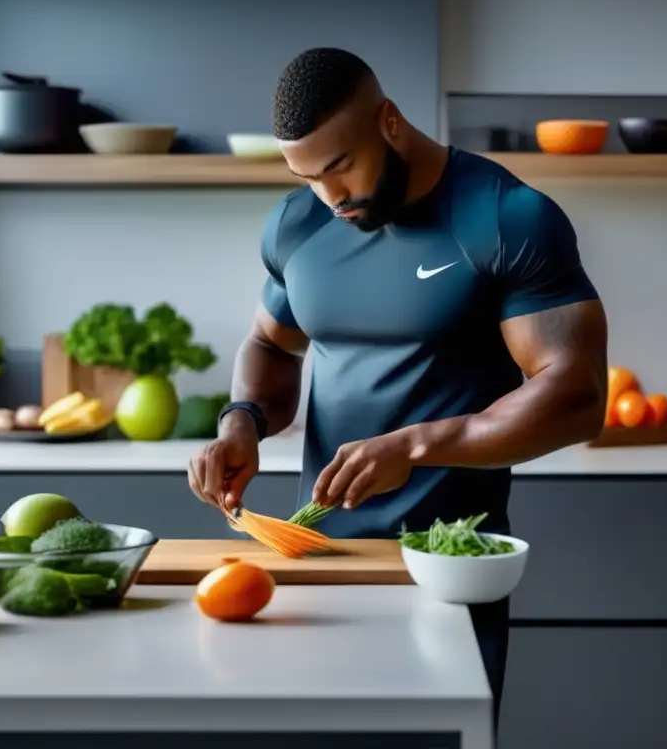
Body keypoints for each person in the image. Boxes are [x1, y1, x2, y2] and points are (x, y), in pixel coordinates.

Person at [188, 47, 608, 730]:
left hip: (447, 569)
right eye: (307, 176)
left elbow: (578, 394)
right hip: (316, 563)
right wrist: (241, 421)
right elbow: (270, 343)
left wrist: (416, 445)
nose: (332, 198)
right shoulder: (297, 226)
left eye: (339, 167)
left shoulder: (505, 216)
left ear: (389, 121)